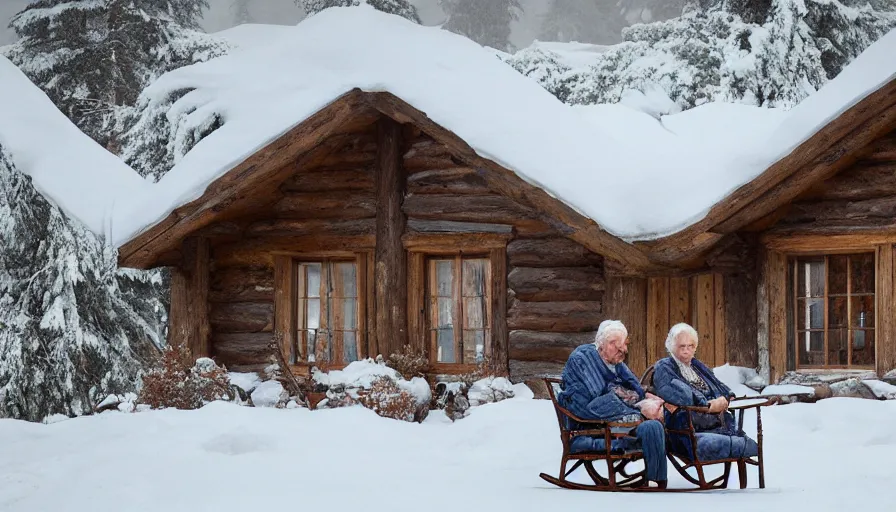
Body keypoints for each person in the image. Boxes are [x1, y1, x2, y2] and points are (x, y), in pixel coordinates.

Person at [558, 320, 668, 488]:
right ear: (601, 345)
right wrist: (639, 408)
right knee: (648, 420)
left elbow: (636, 390)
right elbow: (596, 400)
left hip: (616, 424)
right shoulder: (583, 359)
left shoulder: (615, 363)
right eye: (615, 344)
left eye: (623, 344)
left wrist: (645, 401)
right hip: (590, 429)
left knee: (653, 426)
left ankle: (656, 480)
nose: (622, 349)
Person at [653, 323, 759, 461]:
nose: (686, 351)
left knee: (750, 444)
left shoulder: (696, 366)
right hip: (686, 429)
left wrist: (726, 397)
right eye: (682, 346)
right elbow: (681, 395)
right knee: (746, 445)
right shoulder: (664, 366)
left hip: (715, 424)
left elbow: (718, 385)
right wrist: (708, 405)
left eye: (690, 346)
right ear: (671, 346)